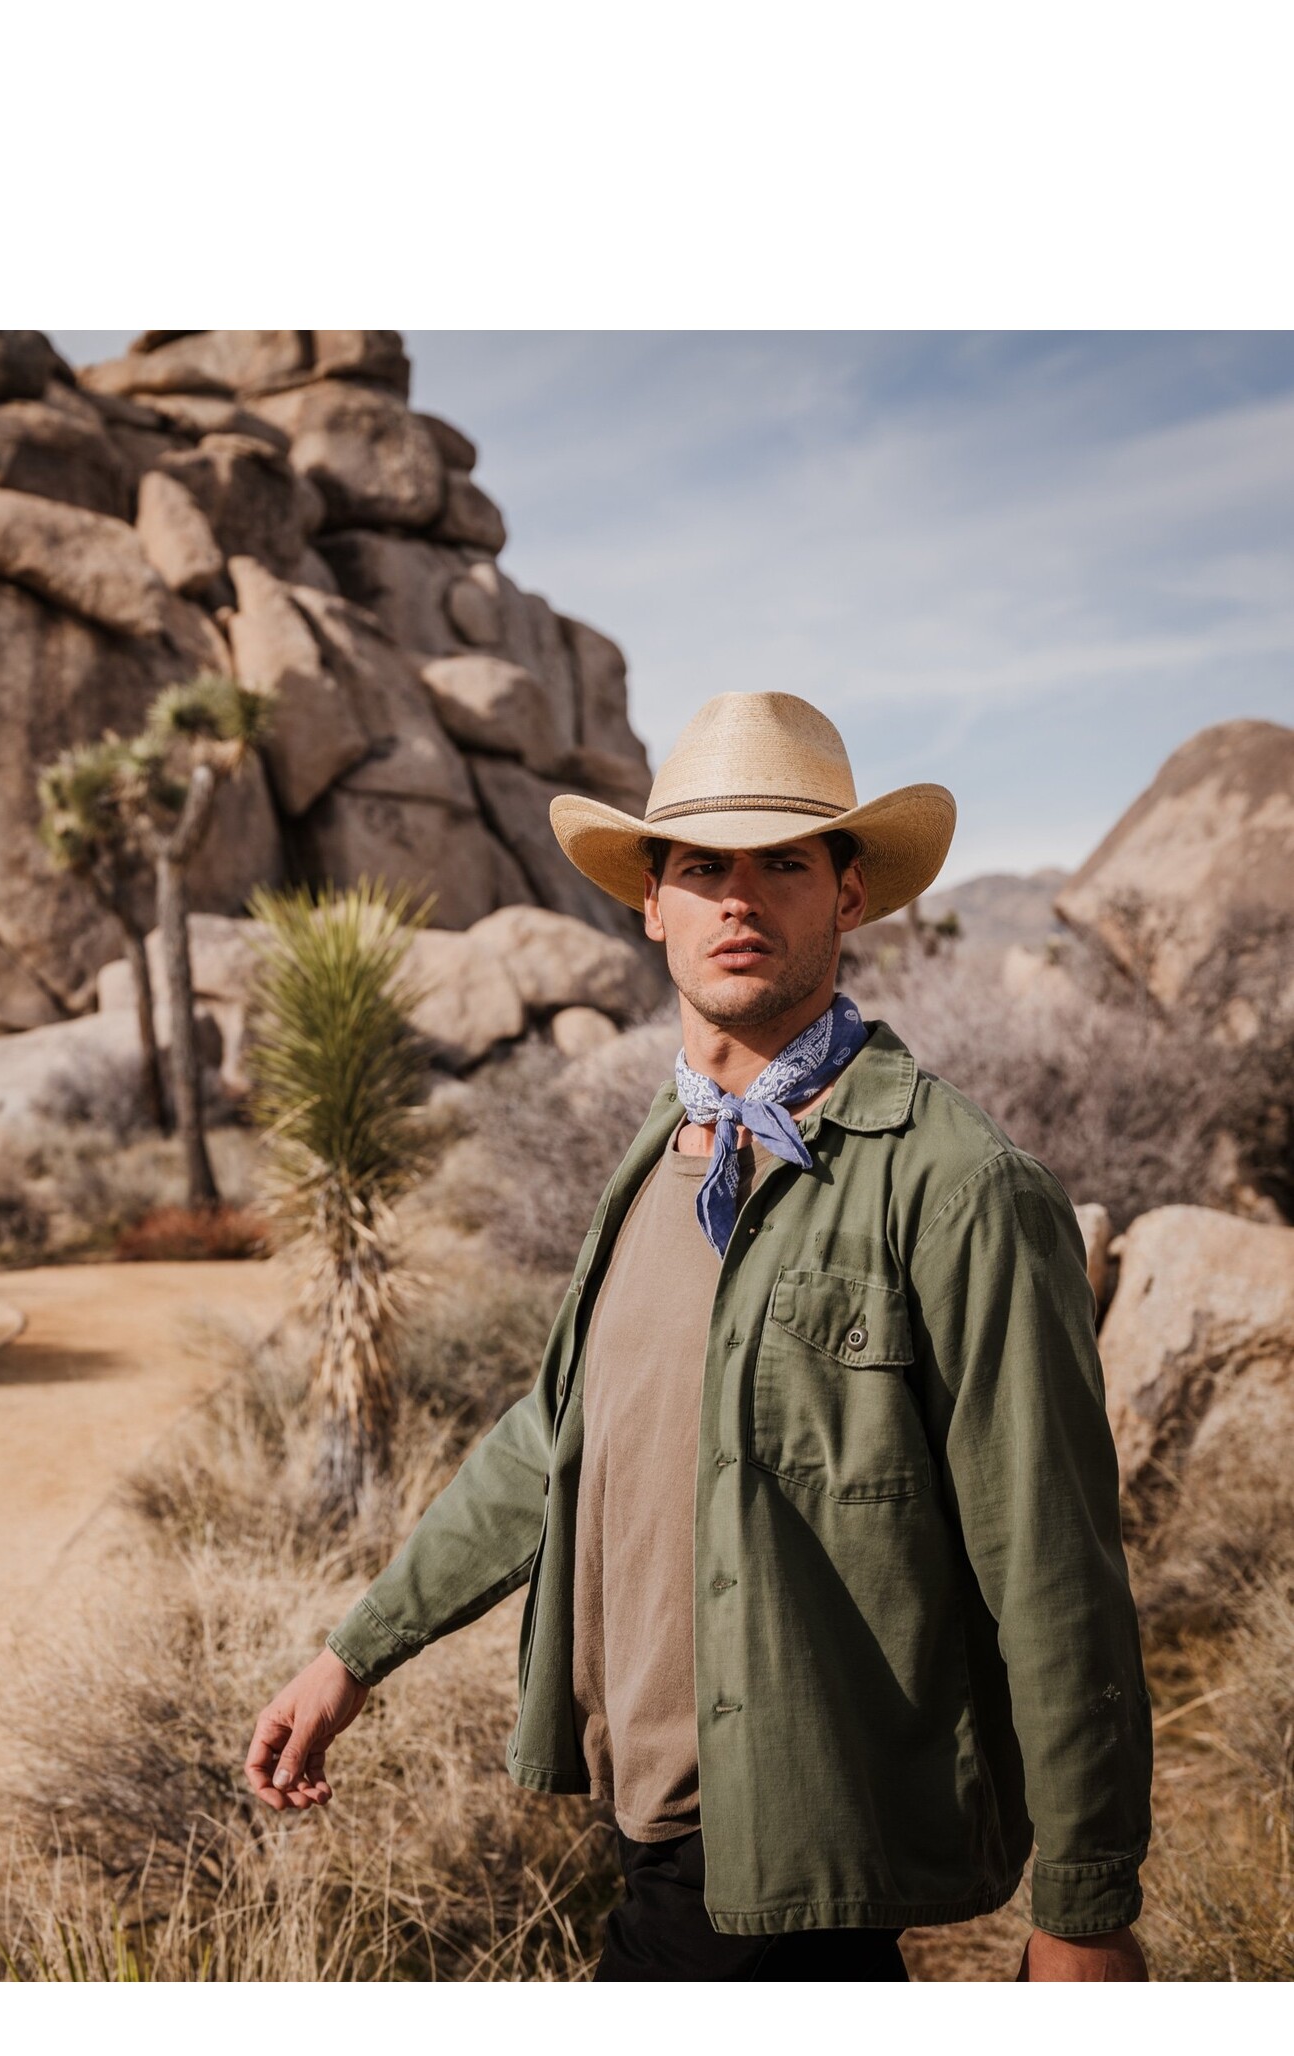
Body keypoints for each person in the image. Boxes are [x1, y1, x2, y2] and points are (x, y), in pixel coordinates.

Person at [245, 690, 1152, 1983]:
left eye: (783, 863)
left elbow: (1054, 1563)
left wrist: (1087, 1909)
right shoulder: (659, 1158)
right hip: (649, 1824)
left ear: (848, 893)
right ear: (651, 903)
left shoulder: (957, 1187)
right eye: (703, 868)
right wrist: (354, 1655)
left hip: (787, 1845)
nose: (741, 900)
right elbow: (553, 1437)